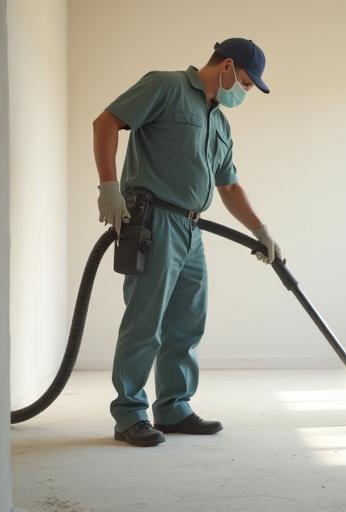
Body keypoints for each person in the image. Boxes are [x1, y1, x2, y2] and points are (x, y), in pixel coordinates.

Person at [92, 38, 281, 447]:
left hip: (193, 229)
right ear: (228, 67)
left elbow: (228, 186)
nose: (243, 94)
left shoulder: (221, 123)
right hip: (153, 220)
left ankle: (174, 408)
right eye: (246, 84)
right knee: (146, 320)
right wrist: (109, 187)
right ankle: (129, 414)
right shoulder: (165, 86)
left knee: (186, 323)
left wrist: (260, 230)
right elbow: (106, 122)